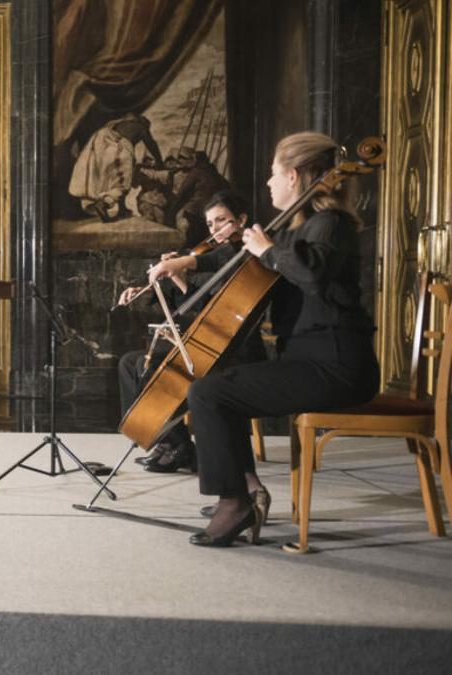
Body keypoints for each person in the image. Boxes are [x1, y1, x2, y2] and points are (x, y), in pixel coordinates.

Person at [147, 132, 379, 547]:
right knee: (218, 390)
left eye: (274, 174)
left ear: (294, 175)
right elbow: (236, 256)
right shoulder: (299, 227)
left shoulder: (332, 224)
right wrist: (190, 260)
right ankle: (243, 493)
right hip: (311, 362)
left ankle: (235, 502)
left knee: (210, 393)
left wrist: (268, 251)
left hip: (337, 367)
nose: (269, 184)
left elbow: (311, 274)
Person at [116, 190, 266, 473]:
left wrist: (182, 264)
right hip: (209, 340)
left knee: (151, 365)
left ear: (241, 219)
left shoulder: (247, 253)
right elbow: (195, 305)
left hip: (235, 349)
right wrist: (162, 281)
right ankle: (170, 441)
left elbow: (213, 296)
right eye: (210, 224)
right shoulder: (213, 254)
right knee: (128, 363)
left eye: (222, 221)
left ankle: (178, 446)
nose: (215, 230)